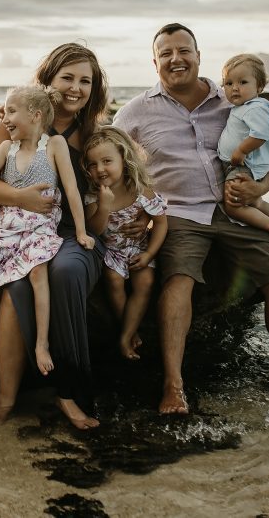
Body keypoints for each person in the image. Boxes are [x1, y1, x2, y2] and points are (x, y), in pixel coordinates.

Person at [113, 23, 269, 415]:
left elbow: (268, 156)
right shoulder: (134, 112)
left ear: (199, 57)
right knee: (179, 280)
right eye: (166, 53)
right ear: (155, 62)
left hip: (235, 209)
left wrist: (261, 192)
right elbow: (112, 166)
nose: (176, 59)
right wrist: (133, 213)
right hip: (178, 213)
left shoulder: (232, 100)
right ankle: (173, 388)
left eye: (184, 50)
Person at [0, 43, 110, 429]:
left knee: (66, 273)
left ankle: (71, 393)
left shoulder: (94, 134)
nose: (76, 88)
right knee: (15, 288)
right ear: (48, 80)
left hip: (75, 232)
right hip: (24, 229)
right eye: (67, 77)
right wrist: (23, 198)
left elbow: (119, 185)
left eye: (85, 80)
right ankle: (5, 401)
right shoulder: (18, 122)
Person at [0, 85, 95, 378]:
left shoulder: (53, 146)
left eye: (12, 111)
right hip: (6, 224)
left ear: (36, 115)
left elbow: (73, 190)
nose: (5, 118)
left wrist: (80, 231)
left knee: (38, 273)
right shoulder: (6, 148)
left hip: (41, 224)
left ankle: (41, 345)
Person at [82, 126, 167, 361]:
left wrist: (150, 254)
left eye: (107, 161)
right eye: (92, 164)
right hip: (111, 251)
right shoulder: (93, 195)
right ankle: (128, 331)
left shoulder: (140, 190)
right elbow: (94, 231)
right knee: (113, 279)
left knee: (146, 281)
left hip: (139, 247)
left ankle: (126, 335)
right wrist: (104, 206)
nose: (100, 169)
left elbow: (161, 223)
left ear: (124, 158)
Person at [218, 53, 269, 247]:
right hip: (238, 164)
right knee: (256, 202)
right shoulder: (244, 106)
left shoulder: (254, 108)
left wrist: (241, 151)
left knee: (233, 205)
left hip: (242, 165)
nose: (235, 88)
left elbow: (261, 133)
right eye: (228, 83)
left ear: (260, 87)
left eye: (243, 82)